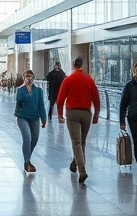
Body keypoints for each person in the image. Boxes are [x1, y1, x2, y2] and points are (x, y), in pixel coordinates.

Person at [55, 57, 100, 185]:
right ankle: (75, 164)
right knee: (82, 142)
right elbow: (96, 98)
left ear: (73, 65)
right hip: (86, 113)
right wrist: (96, 114)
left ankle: (82, 171)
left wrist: (60, 115)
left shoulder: (68, 79)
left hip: (72, 113)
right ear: (82, 65)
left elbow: (60, 99)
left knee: (76, 142)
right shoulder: (89, 80)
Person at [15, 70, 47, 173]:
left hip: (34, 117)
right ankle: (27, 161)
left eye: (31, 76)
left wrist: (44, 118)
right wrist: (27, 91)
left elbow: (41, 104)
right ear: (24, 79)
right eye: (27, 76)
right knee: (27, 138)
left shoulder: (38, 91)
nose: (29, 78)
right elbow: (19, 101)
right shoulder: (20, 90)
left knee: (35, 138)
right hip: (22, 117)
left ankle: (27, 158)